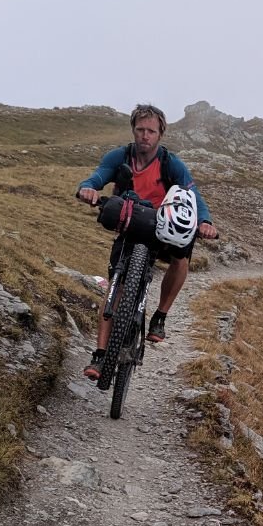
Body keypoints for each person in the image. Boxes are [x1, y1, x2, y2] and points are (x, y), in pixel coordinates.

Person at [76, 103, 217, 379]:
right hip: (130, 223)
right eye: (140, 129)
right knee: (116, 284)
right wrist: (89, 188)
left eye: (151, 131)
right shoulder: (120, 156)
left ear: (160, 134)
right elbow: (99, 175)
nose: (144, 135)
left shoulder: (170, 163)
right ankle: (101, 355)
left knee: (182, 256)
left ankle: (160, 316)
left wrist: (206, 221)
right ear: (133, 130)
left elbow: (193, 194)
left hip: (164, 227)